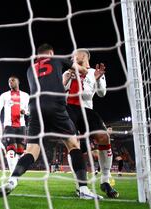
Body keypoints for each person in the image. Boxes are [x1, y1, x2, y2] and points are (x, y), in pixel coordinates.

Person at [0, 43, 102, 200]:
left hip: (35, 108)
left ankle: (12, 180)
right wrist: (84, 69)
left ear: (38, 56)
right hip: (55, 105)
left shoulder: (30, 69)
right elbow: (83, 70)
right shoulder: (57, 59)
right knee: (73, 145)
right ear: (51, 53)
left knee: (31, 151)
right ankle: (83, 189)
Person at [63, 49, 118, 198]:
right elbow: (60, 92)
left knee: (104, 137)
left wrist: (99, 78)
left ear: (84, 56)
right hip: (69, 110)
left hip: (87, 110)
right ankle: (79, 184)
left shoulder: (94, 71)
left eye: (75, 54)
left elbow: (102, 93)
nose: (73, 56)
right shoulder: (68, 71)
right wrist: (68, 78)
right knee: (74, 145)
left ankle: (105, 181)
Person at [0, 76, 30, 173]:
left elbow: (28, 111)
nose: (10, 82)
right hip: (9, 126)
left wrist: (25, 112)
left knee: (20, 152)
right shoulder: (4, 95)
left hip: (21, 126)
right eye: (9, 81)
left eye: (12, 80)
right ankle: (12, 176)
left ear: (18, 82)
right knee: (11, 150)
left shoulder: (26, 95)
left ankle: (16, 172)